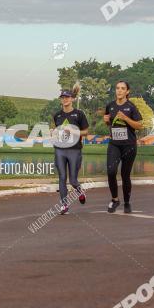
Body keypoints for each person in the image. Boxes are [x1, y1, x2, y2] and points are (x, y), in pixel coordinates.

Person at [103, 81, 144, 213]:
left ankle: (126, 202)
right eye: (117, 88)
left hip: (129, 146)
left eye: (122, 88)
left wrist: (126, 118)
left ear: (127, 91)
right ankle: (115, 200)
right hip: (114, 144)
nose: (119, 91)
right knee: (111, 171)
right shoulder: (110, 106)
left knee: (125, 175)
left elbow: (139, 125)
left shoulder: (131, 107)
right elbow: (110, 124)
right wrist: (106, 121)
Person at [51, 82, 89, 214]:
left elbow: (86, 132)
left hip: (74, 150)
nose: (65, 99)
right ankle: (64, 205)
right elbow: (56, 130)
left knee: (73, 180)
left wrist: (73, 131)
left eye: (67, 97)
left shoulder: (79, 114)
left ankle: (80, 191)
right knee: (62, 177)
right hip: (60, 149)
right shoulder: (57, 115)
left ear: (72, 99)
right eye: (63, 97)